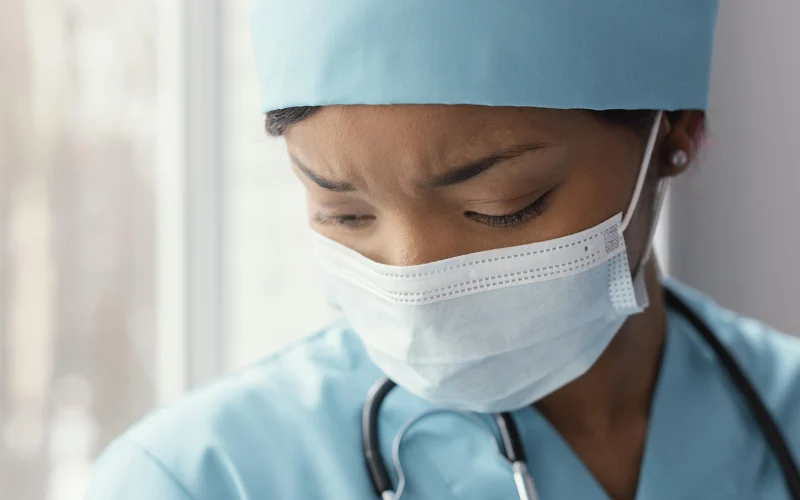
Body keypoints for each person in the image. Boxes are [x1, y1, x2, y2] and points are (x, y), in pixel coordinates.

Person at [86, 1, 800, 499]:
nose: (414, 282)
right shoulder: (202, 480)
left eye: (500, 207)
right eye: (345, 211)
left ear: (672, 129)